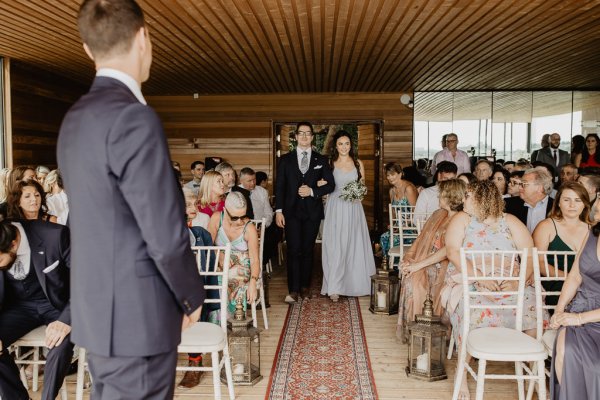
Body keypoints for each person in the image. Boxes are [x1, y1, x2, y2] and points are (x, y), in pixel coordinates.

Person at [57, 1, 205, 398]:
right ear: (143, 38)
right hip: (139, 314)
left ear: (88, 50)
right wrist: (191, 295)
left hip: (97, 312)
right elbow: (163, 230)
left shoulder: (73, 119)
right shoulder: (134, 117)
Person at [444, 180, 544, 400]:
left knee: (532, 306)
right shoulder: (462, 219)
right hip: (471, 277)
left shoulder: (510, 221)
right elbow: (452, 252)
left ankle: (530, 367)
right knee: (474, 309)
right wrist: (479, 278)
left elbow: (529, 254)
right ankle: (462, 377)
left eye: (468, 196)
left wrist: (518, 281)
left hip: (509, 280)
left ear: (483, 198)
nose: (463, 200)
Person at [0, 219, 72, 400]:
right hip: (18, 307)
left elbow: (86, 280)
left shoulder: (55, 236)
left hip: (56, 305)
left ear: (14, 244)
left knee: (59, 343)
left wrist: (66, 319)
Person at [397, 179, 466, 341]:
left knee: (417, 279)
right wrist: (409, 258)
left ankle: (430, 331)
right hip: (428, 258)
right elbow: (421, 239)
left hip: (448, 264)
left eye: (441, 194)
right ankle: (416, 329)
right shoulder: (438, 214)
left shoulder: (462, 219)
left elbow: (447, 251)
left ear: (451, 197)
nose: (438, 197)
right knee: (411, 277)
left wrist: (417, 265)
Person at [275, 121, 335, 303]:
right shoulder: (285, 160)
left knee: (308, 250)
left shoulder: (321, 160)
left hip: (312, 212)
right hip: (291, 212)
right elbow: (280, 187)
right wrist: (279, 211)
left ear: (312, 137)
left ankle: (305, 287)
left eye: (308, 133)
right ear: (295, 136)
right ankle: (292, 290)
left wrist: (312, 191)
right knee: (293, 250)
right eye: (301, 133)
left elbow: (331, 185)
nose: (304, 136)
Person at [549, 203, 600, 400]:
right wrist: (560, 310)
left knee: (595, 368)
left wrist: (579, 318)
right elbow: (574, 276)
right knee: (565, 350)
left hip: (587, 316)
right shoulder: (592, 233)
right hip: (580, 306)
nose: (597, 203)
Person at [321, 130, 375, 301]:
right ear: (335, 146)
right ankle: (334, 287)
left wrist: (358, 193)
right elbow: (322, 184)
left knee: (352, 244)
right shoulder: (330, 163)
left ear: (351, 145)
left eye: (347, 144)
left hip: (353, 207)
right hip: (335, 206)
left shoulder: (358, 163)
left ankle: (355, 283)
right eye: (340, 144)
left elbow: (363, 186)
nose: (344, 147)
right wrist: (320, 184)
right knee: (335, 246)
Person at [533, 182, 591, 309]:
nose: (572, 205)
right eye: (566, 200)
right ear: (558, 202)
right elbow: (539, 263)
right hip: (555, 285)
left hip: (587, 287)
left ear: (585, 204)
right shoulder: (546, 226)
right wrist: (571, 279)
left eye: (577, 200)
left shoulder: (593, 229)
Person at [207, 192, 259, 321]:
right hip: (220, 265)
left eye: (243, 216)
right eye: (235, 217)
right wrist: (218, 255)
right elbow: (208, 246)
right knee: (213, 278)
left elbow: (255, 260)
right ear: (225, 210)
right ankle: (216, 325)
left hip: (242, 269)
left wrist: (253, 281)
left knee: (230, 279)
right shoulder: (216, 219)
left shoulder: (249, 228)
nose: (240, 221)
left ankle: (234, 324)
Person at [379, 162, 419, 258]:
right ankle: (391, 266)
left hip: (411, 227)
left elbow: (416, 211)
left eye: (393, 174)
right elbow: (393, 212)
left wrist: (406, 224)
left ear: (400, 174)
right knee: (383, 237)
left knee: (392, 239)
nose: (390, 178)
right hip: (399, 227)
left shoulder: (408, 188)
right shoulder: (392, 191)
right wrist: (393, 225)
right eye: (388, 175)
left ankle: (400, 266)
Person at [505, 167, 554, 233]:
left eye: (523, 184)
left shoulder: (557, 206)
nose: (519, 188)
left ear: (540, 188)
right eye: (520, 184)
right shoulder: (508, 204)